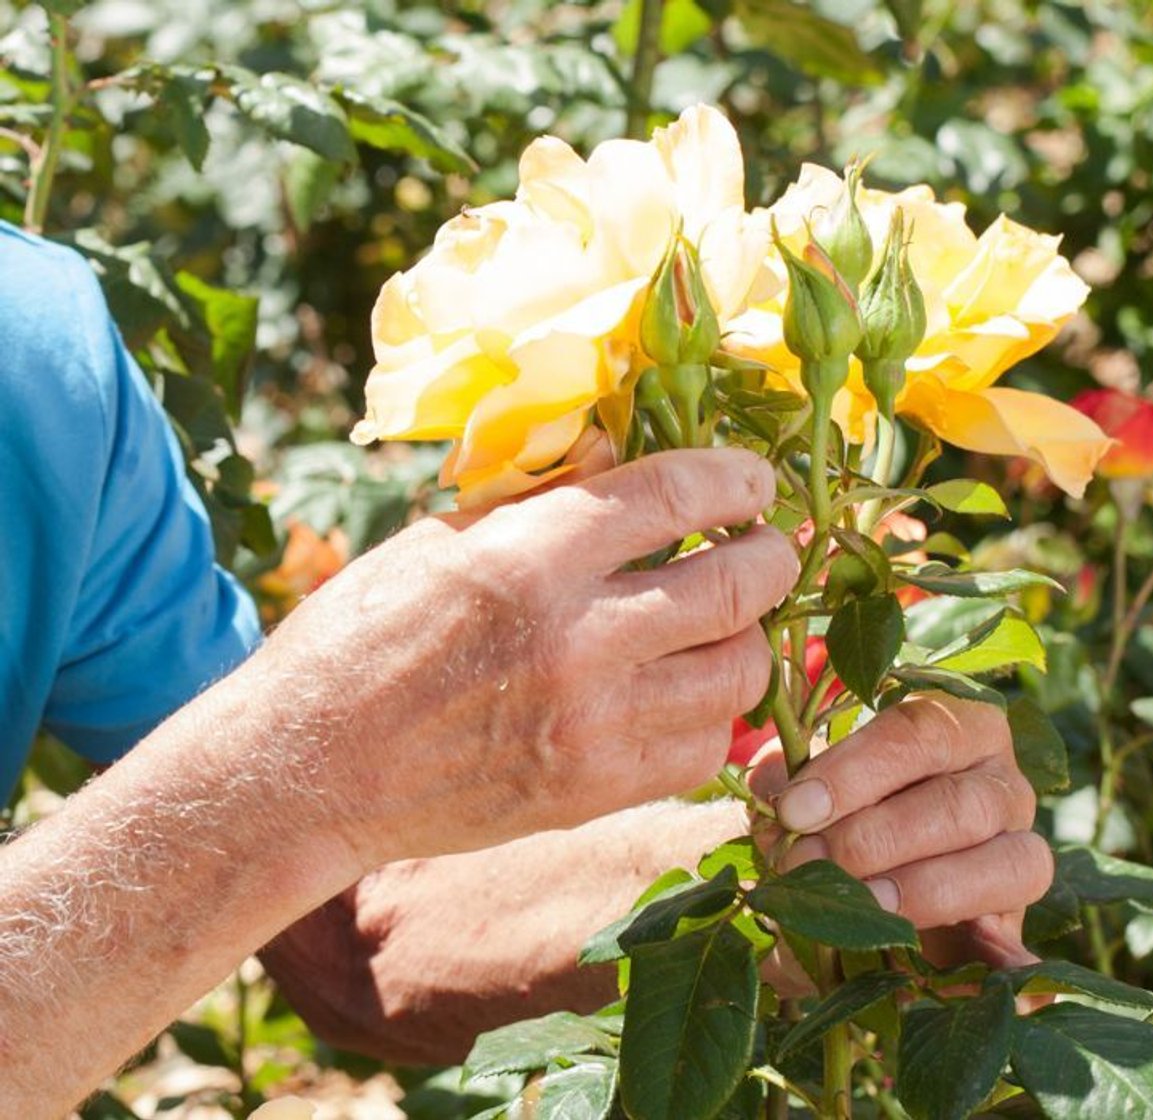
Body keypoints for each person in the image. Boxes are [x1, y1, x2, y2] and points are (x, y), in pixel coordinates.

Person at [0, 222, 1053, 1113]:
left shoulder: (42, 360)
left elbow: (347, 921)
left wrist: (821, 874)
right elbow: (269, 827)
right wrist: (304, 771)